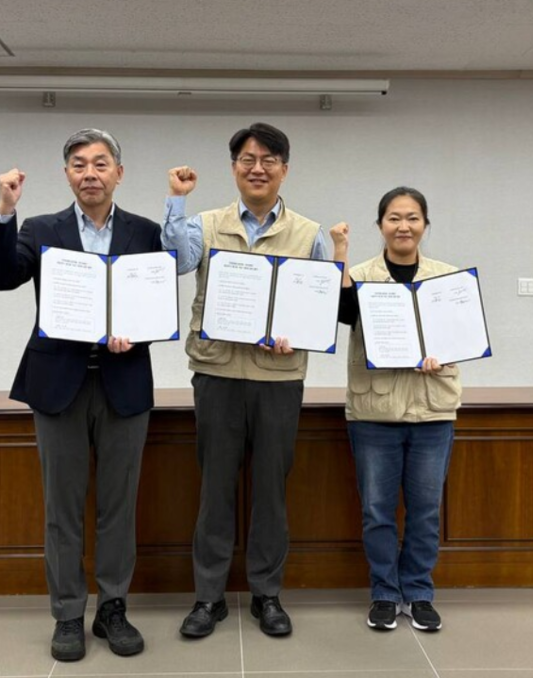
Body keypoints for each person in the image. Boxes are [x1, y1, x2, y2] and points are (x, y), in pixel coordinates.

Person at [0, 129, 162, 661]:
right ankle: (66, 614)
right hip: (58, 384)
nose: (90, 173)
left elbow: (154, 304)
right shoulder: (41, 228)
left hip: (123, 382)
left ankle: (113, 609)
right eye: (79, 164)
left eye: (101, 164)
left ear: (118, 174)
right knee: (62, 508)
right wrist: (5, 210)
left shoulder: (145, 232)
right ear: (67, 175)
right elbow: (1, 277)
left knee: (118, 506)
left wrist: (139, 334)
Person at [162, 122, 331, 638]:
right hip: (217, 372)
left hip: (279, 377)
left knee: (270, 491)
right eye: (248, 160)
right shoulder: (206, 224)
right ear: (234, 168)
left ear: (284, 169)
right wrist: (177, 201)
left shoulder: (310, 233)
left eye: (269, 160)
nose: (258, 168)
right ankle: (208, 598)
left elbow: (318, 307)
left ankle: (267, 595)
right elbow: (176, 261)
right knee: (215, 488)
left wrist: (297, 337)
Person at [330, 186, 461, 633]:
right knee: (377, 511)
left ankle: (419, 593)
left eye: (412, 218)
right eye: (393, 218)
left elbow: (461, 335)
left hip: (432, 411)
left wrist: (444, 355)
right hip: (374, 413)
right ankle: (385, 593)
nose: (403, 226)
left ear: (425, 224)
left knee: (425, 512)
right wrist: (340, 251)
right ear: (380, 225)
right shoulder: (360, 276)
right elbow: (340, 313)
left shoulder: (446, 279)